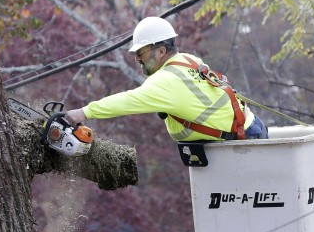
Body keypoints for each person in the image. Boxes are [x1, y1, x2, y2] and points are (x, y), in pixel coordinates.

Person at [65, 16, 268, 142]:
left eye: (141, 53)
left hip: (243, 141)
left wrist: (83, 113)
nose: (137, 59)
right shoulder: (187, 59)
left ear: (161, 50)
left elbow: (126, 101)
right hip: (250, 128)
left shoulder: (164, 81)